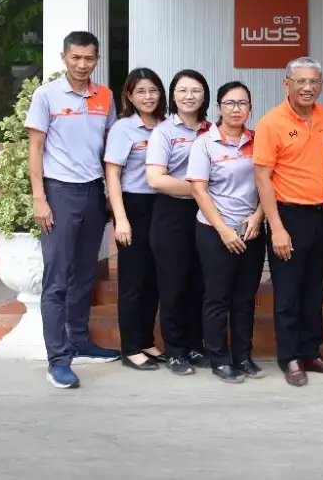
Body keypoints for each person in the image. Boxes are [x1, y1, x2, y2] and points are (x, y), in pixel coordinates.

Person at [25, 30, 122, 389]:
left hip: (93, 193)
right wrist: (40, 198)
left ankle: (80, 341)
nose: (82, 65)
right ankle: (58, 360)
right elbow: (35, 148)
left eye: (89, 58)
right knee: (57, 279)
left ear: (97, 60)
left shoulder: (105, 96)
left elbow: (110, 147)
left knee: (84, 274)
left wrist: (110, 194)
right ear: (64, 58)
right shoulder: (46, 95)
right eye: (76, 57)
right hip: (60, 192)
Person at [254, 57, 323, 388]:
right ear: (287, 84)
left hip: (320, 216)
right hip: (288, 216)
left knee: (315, 289)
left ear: (321, 85)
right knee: (288, 292)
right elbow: (262, 178)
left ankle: (310, 352)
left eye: (314, 82)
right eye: (301, 81)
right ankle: (290, 357)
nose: (308, 88)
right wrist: (276, 228)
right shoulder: (271, 123)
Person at [189, 82, 266, 384]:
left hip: (251, 230)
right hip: (214, 231)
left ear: (250, 108)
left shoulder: (258, 140)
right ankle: (219, 359)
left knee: (245, 297)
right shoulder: (205, 143)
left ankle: (243, 356)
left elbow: (269, 183)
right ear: (219, 107)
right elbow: (199, 189)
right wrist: (223, 230)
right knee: (217, 297)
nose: (236, 109)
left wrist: (258, 217)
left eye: (242, 103)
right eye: (230, 103)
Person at [145, 69, 211, 377]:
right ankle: (175, 350)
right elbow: (156, 179)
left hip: (205, 213)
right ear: (173, 95)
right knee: (173, 284)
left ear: (204, 96)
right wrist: (200, 189)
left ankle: (196, 345)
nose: (189, 96)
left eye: (195, 90)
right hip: (172, 213)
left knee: (200, 282)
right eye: (182, 90)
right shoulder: (164, 132)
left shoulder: (212, 130)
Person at [104, 68, 168, 371]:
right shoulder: (123, 128)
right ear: (129, 95)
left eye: (153, 90)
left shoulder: (167, 126)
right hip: (134, 206)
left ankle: (146, 340)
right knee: (133, 280)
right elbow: (113, 174)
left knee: (154, 278)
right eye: (141, 91)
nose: (148, 96)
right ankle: (130, 348)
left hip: (163, 205)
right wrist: (121, 218)